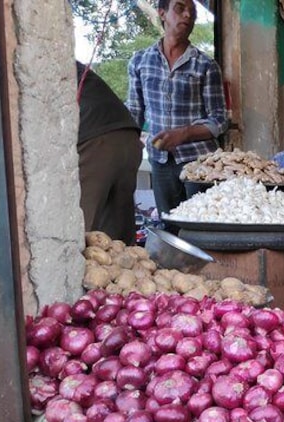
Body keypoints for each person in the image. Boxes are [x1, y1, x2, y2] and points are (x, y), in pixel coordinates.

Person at [126, 0, 228, 219]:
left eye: (192, 12)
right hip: (160, 160)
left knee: (201, 223)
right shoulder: (140, 61)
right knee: (169, 224)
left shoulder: (205, 65)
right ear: (162, 14)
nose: (187, 16)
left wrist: (184, 133)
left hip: (200, 163)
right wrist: (128, 147)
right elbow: (134, 111)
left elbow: (219, 120)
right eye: (180, 9)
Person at [76, 62, 143, 244]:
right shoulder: (68, 62)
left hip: (95, 141)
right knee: (118, 238)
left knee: (80, 234)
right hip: (128, 135)